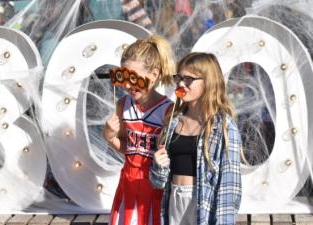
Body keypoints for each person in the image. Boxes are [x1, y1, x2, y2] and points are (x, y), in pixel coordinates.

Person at [150, 52, 242, 225]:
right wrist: (158, 166)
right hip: (173, 202)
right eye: (179, 78)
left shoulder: (222, 126)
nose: (181, 84)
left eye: (189, 79)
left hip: (202, 205)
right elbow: (158, 183)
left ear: (208, 82)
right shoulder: (173, 120)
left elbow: (230, 187)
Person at [102, 35, 176, 225]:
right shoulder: (123, 104)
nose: (127, 84)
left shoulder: (168, 110)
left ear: (153, 75)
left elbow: (172, 159)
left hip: (155, 189)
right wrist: (109, 137)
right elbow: (129, 148)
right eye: (124, 76)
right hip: (128, 186)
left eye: (133, 77)